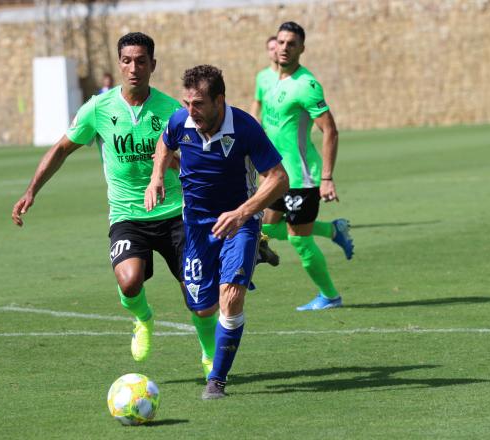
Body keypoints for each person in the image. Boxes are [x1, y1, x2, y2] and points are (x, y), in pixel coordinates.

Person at [11, 33, 218, 377]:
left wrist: (178, 166)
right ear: (118, 64)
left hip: (175, 214)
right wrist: (32, 190)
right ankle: (143, 319)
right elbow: (61, 148)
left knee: (197, 295)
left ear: (153, 64)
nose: (133, 67)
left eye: (140, 61)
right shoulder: (99, 108)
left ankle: (210, 355)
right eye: (126, 60)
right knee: (129, 282)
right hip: (128, 215)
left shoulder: (173, 111)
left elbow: (196, 160)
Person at [145, 65, 289, 399]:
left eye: (198, 104)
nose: (190, 111)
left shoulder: (244, 127)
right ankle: (255, 256)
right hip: (195, 226)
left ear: (219, 100)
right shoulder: (180, 121)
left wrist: (242, 213)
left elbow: (279, 178)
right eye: (186, 103)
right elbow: (164, 145)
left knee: (231, 298)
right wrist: (156, 177)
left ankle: (217, 380)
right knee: (202, 308)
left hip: (240, 224)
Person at [260, 21, 355, 311]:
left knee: (299, 241)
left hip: (302, 177)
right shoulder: (272, 80)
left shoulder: (306, 85)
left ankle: (330, 296)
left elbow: (331, 131)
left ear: (302, 48)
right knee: (264, 228)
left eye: (292, 43)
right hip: (278, 175)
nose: (285, 48)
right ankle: (332, 231)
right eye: (281, 42)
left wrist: (326, 177)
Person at [249, 35, 278, 122]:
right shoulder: (262, 76)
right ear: (268, 52)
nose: (275, 51)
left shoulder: (289, 76)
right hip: (266, 130)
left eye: (277, 48)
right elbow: (257, 100)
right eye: (272, 49)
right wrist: (253, 115)